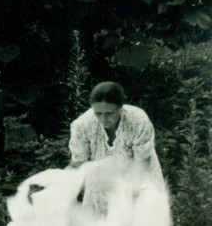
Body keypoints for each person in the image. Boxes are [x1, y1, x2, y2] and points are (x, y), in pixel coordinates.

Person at [68, 81, 165, 213]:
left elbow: (142, 165)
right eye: (98, 113)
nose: (103, 119)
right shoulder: (82, 125)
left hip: (139, 180)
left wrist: (129, 195)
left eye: (109, 113)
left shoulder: (138, 120)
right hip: (100, 186)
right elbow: (78, 164)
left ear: (120, 108)